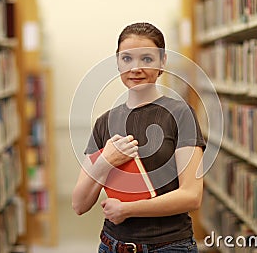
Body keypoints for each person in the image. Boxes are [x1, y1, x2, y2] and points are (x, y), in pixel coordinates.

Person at [72, 22, 206, 253]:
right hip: (111, 245)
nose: (136, 68)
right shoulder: (104, 122)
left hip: (168, 246)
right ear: (117, 62)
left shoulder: (180, 114)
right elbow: (79, 204)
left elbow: (191, 196)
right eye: (127, 59)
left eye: (147, 59)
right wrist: (106, 161)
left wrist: (128, 209)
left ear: (162, 62)